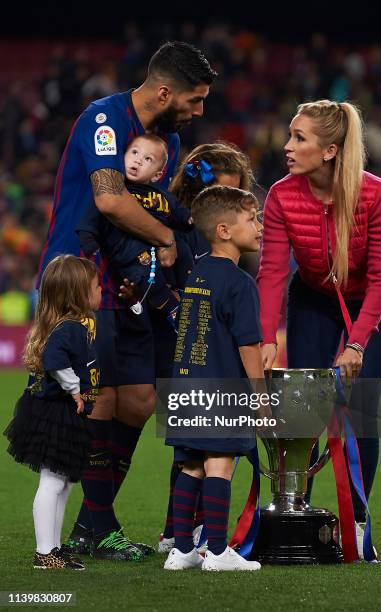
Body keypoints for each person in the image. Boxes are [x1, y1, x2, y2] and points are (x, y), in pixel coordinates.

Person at [38, 41, 216, 562]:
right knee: (99, 398)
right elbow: (110, 199)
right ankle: (96, 523)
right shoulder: (105, 121)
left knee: (139, 400)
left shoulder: (170, 140)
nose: (199, 110)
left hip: (133, 286)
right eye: (195, 98)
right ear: (165, 91)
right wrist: (164, 237)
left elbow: (157, 205)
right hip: (81, 277)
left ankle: (94, 522)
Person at [257, 99, 381, 558]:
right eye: (290, 134)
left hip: (369, 304)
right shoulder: (281, 194)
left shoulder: (376, 196)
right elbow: (273, 274)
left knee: (361, 411)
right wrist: (263, 340)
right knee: (304, 408)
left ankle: (355, 518)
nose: (287, 146)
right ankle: (302, 516)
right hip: (313, 297)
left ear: (331, 150)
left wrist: (357, 343)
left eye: (299, 138)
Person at [156, 142, 255, 552]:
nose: (260, 225)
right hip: (221, 387)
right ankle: (216, 550)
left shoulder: (195, 276)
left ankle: (179, 548)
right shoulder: (238, 282)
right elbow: (248, 343)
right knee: (221, 463)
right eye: (252, 218)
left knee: (190, 464)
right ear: (224, 229)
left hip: (185, 383)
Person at [3, 255, 101, 570]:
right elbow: (55, 358)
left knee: (64, 481)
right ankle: (45, 553)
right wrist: (74, 389)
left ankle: (55, 548)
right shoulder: (70, 328)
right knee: (53, 481)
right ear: (79, 293)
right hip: (56, 411)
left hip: (61, 412)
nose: (101, 291)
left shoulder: (70, 325)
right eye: (96, 286)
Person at [77, 133, 193, 323]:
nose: (138, 161)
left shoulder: (160, 195)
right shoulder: (115, 190)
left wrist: (187, 219)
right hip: (130, 249)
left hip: (160, 246)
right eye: (134, 153)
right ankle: (173, 310)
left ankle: (190, 293)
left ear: (157, 174)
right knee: (145, 273)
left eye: (148, 159)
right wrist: (89, 242)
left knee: (183, 249)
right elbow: (89, 220)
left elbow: (177, 211)